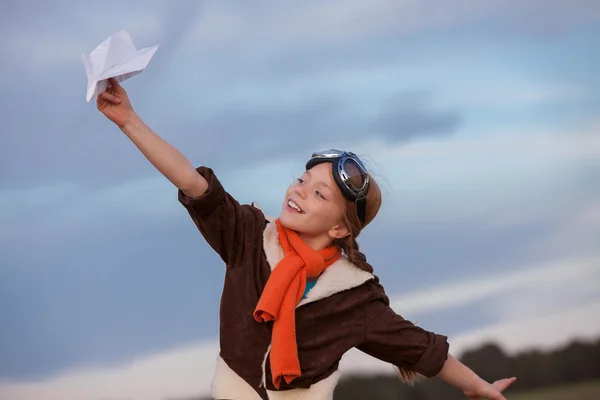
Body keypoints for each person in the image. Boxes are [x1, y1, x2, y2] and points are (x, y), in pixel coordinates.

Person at [97, 77, 517, 400]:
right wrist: (129, 120)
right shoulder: (247, 236)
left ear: (339, 228)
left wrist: (477, 386)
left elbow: (421, 348)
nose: (298, 190)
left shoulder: (356, 297)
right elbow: (192, 181)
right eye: (302, 179)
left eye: (319, 193)